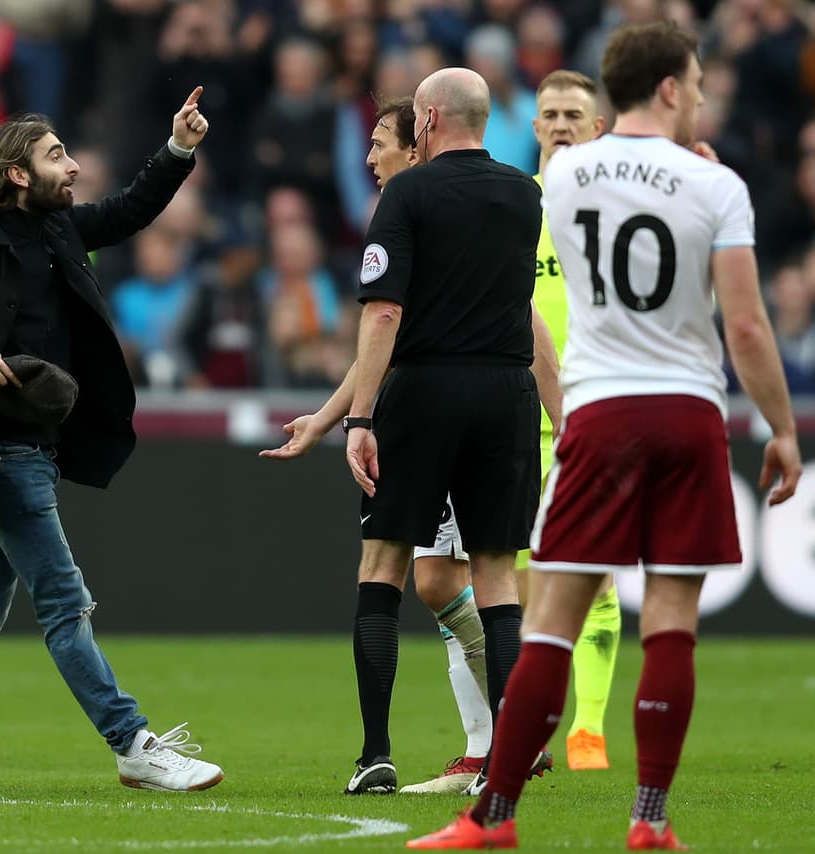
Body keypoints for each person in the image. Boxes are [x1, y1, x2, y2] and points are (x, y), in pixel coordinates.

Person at [406, 23, 802, 850]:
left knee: (551, 616)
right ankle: (650, 820)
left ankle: (494, 815)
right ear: (667, 88)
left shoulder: (562, 176)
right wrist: (784, 429)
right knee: (670, 616)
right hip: (689, 411)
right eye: (693, 82)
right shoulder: (712, 182)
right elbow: (751, 330)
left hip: (596, 411)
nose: (699, 96)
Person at [0, 91, 225, 794]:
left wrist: (179, 148)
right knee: (66, 605)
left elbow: (128, 211)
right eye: (55, 155)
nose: (71, 167)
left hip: (30, 447)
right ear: (15, 174)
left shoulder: (60, 230)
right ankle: (132, 742)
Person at [261, 96, 494, 796]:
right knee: (435, 581)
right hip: (434, 410)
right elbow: (379, 348)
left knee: (412, 576)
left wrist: (350, 422)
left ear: (417, 144)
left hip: (428, 419)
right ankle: (491, 740)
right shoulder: (448, 211)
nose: (368, 158)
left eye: (379, 144)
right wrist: (331, 417)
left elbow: (386, 332)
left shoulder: (414, 214)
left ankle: (489, 736)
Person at [342, 67, 546, 799]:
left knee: (383, 567)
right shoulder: (526, 193)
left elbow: (384, 313)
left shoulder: (408, 192)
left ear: (426, 120)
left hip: (425, 391)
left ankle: (375, 754)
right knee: (495, 574)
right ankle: (506, 758)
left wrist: (361, 417)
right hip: (506, 393)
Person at [518, 69, 620, 773]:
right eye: (548, 112)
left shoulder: (618, 212)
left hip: (590, 414)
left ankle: (588, 728)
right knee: (520, 583)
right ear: (534, 128)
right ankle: (538, 726)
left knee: (597, 578)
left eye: (572, 113)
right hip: (514, 419)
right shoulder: (510, 202)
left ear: (597, 128)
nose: (559, 122)